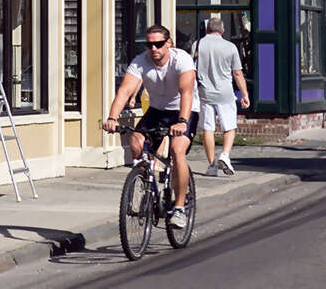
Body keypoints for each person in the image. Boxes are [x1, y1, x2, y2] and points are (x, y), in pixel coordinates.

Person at [103, 25, 197, 230]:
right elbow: (124, 91)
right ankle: (148, 184)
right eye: (149, 44)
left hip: (183, 110)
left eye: (158, 44)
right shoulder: (141, 62)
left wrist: (182, 121)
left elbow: (187, 92)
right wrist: (112, 117)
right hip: (157, 110)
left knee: (177, 150)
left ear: (168, 43)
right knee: (136, 143)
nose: (153, 48)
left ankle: (179, 208)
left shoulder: (182, 60)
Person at [192, 17, 250, 176]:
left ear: (207, 29)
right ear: (222, 31)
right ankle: (225, 154)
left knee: (208, 129)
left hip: (205, 93)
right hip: (225, 93)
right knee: (229, 127)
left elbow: (192, 70)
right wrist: (244, 94)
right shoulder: (230, 47)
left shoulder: (197, 45)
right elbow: (237, 73)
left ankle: (211, 166)